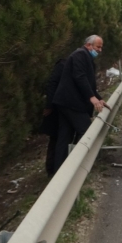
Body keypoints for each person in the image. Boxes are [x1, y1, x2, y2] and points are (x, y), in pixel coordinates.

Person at [52, 35, 108, 173]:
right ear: (89, 45)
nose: (100, 50)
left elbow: (89, 84)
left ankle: (59, 171)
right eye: (98, 47)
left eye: (101, 47)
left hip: (66, 102)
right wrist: (91, 98)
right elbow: (80, 77)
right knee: (87, 131)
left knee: (65, 136)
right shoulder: (80, 55)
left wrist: (99, 98)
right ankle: (79, 168)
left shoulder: (84, 57)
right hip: (71, 103)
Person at [41, 58, 66, 177]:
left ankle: (53, 168)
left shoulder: (67, 64)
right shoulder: (63, 65)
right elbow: (52, 85)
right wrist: (49, 105)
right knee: (55, 139)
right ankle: (52, 169)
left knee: (57, 140)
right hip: (56, 109)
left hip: (61, 109)